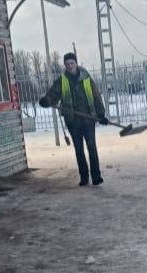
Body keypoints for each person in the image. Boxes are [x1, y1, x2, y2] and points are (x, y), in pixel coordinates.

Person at [39, 52, 109, 186]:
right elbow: (53, 94)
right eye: (67, 64)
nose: (70, 66)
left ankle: (96, 177)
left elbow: (96, 96)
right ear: (65, 65)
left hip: (88, 120)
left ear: (76, 63)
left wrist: (101, 114)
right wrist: (46, 100)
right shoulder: (62, 80)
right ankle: (84, 178)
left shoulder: (86, 78)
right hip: (72, 121)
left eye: (72, 63)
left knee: (92, 148)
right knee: (79, 150)